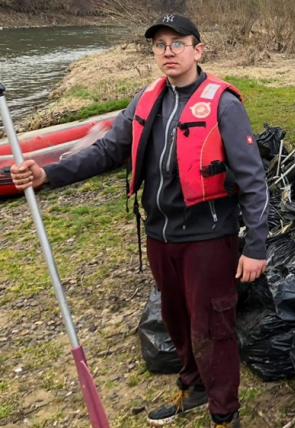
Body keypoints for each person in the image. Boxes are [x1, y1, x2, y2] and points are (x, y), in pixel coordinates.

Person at [10, 13, 268, 428]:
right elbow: (108, 151)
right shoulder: (146, 100)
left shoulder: (224, 103)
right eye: (159, 44)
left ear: (198, 50)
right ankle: (195, 386)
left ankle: (225, 414)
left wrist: (256, 246)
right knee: (176, 320)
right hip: (159, 235)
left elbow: (254, 181)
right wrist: (48, 174)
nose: (168, 51)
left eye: (177, 43)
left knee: (213, 327)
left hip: (208, 237)